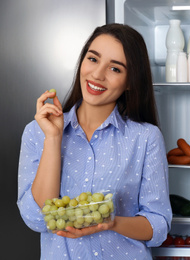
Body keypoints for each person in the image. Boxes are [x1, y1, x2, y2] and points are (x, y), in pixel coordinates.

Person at [17, 23, 172, 259]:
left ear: (130, 81)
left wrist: (110, 222)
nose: (97, 75)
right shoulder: (38, 132)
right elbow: (37, 219)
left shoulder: (145, 137)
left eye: (115, 69)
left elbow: (158, 225)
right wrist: (54, 138)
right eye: (93, 59)